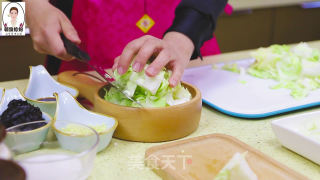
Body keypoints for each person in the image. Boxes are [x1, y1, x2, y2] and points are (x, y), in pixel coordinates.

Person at [26, 0, 229, 87]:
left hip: (189, 56)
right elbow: (14, 10)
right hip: (82, 76)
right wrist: (30, 7)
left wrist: (182, 39)